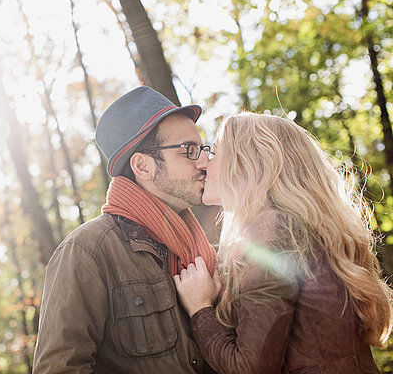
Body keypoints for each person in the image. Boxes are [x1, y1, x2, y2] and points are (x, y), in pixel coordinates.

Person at [174, 112, 393, 373]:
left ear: (248, 162)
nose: (204, 164)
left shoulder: (273, 227)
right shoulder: (299, 226)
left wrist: (200, 309)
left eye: (216, 151)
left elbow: (249, 368)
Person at [33, 86, 218, 373]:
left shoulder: (206, 247)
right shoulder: (87, 252)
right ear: (143, 167)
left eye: (202, 149)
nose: (204, 162)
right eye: (189, 151)